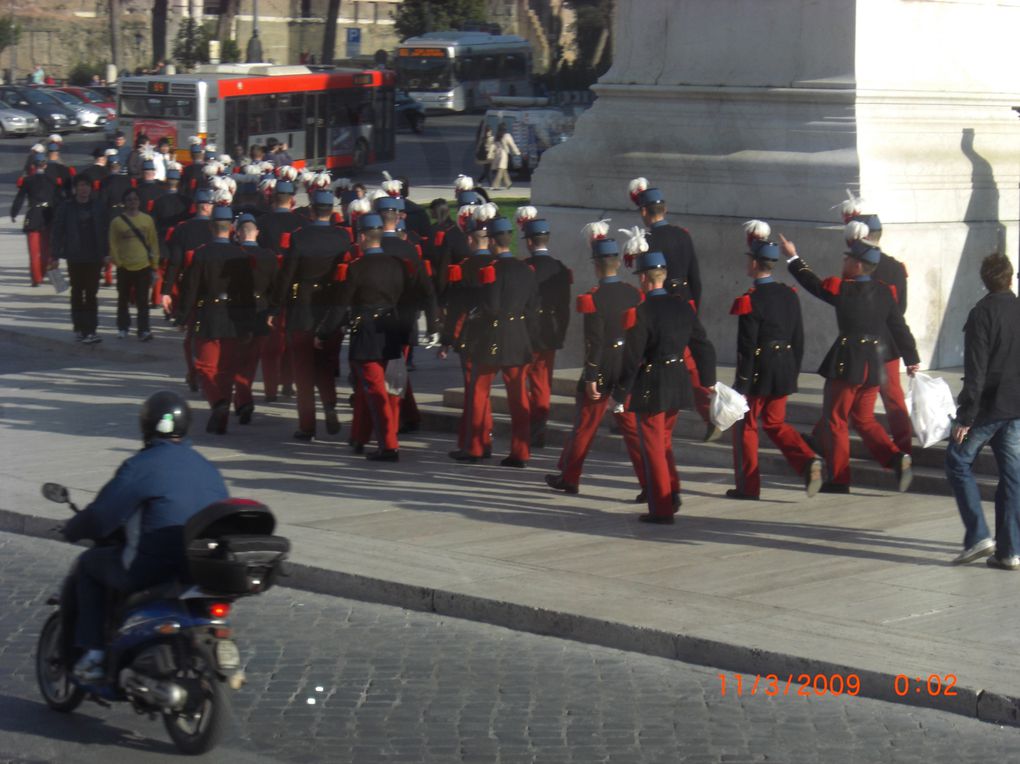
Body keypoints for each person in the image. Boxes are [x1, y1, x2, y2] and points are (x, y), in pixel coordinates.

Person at [62, 391, 228, 681]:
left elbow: (102, 516)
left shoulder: (141, 465)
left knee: (88, 566)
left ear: (145, 425)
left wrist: (73, 529)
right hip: (196, 566)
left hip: (150, 566)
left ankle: (94, 654)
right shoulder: (207, 467)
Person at [781, 234, 920, 493]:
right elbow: (899, 328)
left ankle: (840, 478)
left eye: (847, 258)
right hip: (874, 367)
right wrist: (912, 358)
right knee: (864, 418)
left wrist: (793, 257)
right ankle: (895, 457)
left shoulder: (842, 289)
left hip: (848, 363)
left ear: (857, 265)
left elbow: (811, 283)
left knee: (835, 419)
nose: (843, 261)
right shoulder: (884, 293)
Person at [616, 242, 717, 523]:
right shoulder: (682, 307)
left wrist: (619, 392)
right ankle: (671, 492)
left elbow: (632, 357)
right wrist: (708, 382)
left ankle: (661, 508)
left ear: (645, 278)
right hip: (678, 379)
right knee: (664, 442)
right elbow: (703, 345)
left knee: (652, 446)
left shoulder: (642, 312)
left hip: (652, 382)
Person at [727, 222, 823, 500]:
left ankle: (748, 487)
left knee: (746, 424)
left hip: (759, 369)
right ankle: (806, 460)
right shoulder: (788, 294)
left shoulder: (750, 299)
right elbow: (799, 336)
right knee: (775, 422)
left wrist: (741, 383)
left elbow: (746, 346)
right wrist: (793, 369)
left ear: (756, 264)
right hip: (784, 366)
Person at [545, 234, 645, 497]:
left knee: (585, 427)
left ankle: (570, 477)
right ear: (617, 263)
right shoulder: (634, 293)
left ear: (597, 265)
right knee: (633, 432)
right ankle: (650, 483)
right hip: (626, 367)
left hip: (602, 367)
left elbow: (595, 341)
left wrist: (591, 375)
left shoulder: (594, 297)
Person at [946, 253, 1020, 569]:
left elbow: (976, 369)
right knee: (1012, 477)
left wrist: (965, 416)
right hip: (1016, 406)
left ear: (984, 280)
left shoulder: (982, 313)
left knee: (957, 460)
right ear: (1011, 276)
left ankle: (978, 534)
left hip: (989, 408)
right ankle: (1010, 550)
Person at [627, 178, 716, 440]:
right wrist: (693, 309)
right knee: (689, 363)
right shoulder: (682, 235)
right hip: (685, 302)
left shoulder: (646, 240)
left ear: (644, 212)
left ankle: (632, 408)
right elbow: (695, 277)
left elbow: (645, 278)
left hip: (659, 303)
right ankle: (709, 411)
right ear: (663, 209)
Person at [317, 212, 410, 458]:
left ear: (361, 237)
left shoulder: (356, 268)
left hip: (367, 333)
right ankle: (359, 436)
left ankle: (388, 445)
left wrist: (324, 333)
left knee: (374, 391)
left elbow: (340, 306)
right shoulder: (396, 265)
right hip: (390, 330)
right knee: (371, 390)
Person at [453, 214, 538, 467]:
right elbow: (533, 308)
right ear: (509, 240)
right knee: (518, 398)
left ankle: (476, 446)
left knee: (479, 392)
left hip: (492, 337)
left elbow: (489, 307)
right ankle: (521, 451)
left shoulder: (491, 271)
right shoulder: (527, 270)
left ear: (491, 241)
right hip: (518, 337)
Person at [272, 189, 352, 440]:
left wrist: (276, 307)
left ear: (312, 211)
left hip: (303, 307)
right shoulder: (343, 238)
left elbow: (287, 276)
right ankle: (329, 405)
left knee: (303, 371)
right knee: (326, 364)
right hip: (331, 307)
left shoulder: (300, 238)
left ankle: (307, 425)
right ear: (332, 212)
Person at [176, 204, 253, 434]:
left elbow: (190, 289)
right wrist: (247, 324)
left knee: (205, 367)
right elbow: (247, 293)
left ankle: (217, 403)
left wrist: (181, 317)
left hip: (208, 315)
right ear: (231, 228)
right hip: (232, 318)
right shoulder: (240, 255)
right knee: (227, 370)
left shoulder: (201, 254)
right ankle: (221, 420)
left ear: (211, 227)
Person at [518, 209, 571, 448]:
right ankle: (539, 428)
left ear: (529, 242)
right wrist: (560, 333)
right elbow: (564, 307)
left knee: (520, 382)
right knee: (542, 384)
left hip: (526, 333)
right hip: (549, 331)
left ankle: (525, 428)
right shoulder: (560, 268)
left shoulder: (524, 268)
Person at [50, 175, 107, 343]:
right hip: (75, 255)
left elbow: (105, 230)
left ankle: (91, 329)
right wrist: (54, 255)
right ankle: (79, 327)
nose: (83, 189)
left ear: (91, 188)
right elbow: (57, 231)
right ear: (75, 188)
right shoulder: (66, 207)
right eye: (80, 185)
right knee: (77, 292)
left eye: (86, 185)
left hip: (94, 255)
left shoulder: (98, 206)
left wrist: (107, 252)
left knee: (91, 292)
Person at [109, 188, 159, 340]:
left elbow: (153, 243)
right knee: (122, 299)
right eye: (129, 200)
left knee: (143, 300)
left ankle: (143, 329)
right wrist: (118, 262)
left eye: (135, 199)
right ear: (124, 203)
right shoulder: (117, 222)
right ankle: (123, 327)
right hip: (124, 265)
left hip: (143, 265)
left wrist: (154, 264)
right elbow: (113, 243)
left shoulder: (147, 220)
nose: (132, 202)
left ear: (139, 202)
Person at [11, 153, 58, 286]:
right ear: (45, 165)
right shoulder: (52, 180)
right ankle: (44, 274)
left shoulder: (28, 181)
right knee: (46, 250)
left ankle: (36, 278)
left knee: (33, 251)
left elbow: (19, 199)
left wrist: (14, 212)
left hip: (33, 216)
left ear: (33, 166)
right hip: (48, 215)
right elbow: (58, 199)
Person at [489, 123, 521, 191]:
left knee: (503, 170)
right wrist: (517, 152)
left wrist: (490, 154)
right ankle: (495, 186)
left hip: (497, 155)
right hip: (503, 155)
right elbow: (512, 145)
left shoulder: (496, 136)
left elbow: (493, 146)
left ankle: (508, 183)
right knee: (501, 170)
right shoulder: (507, 136)